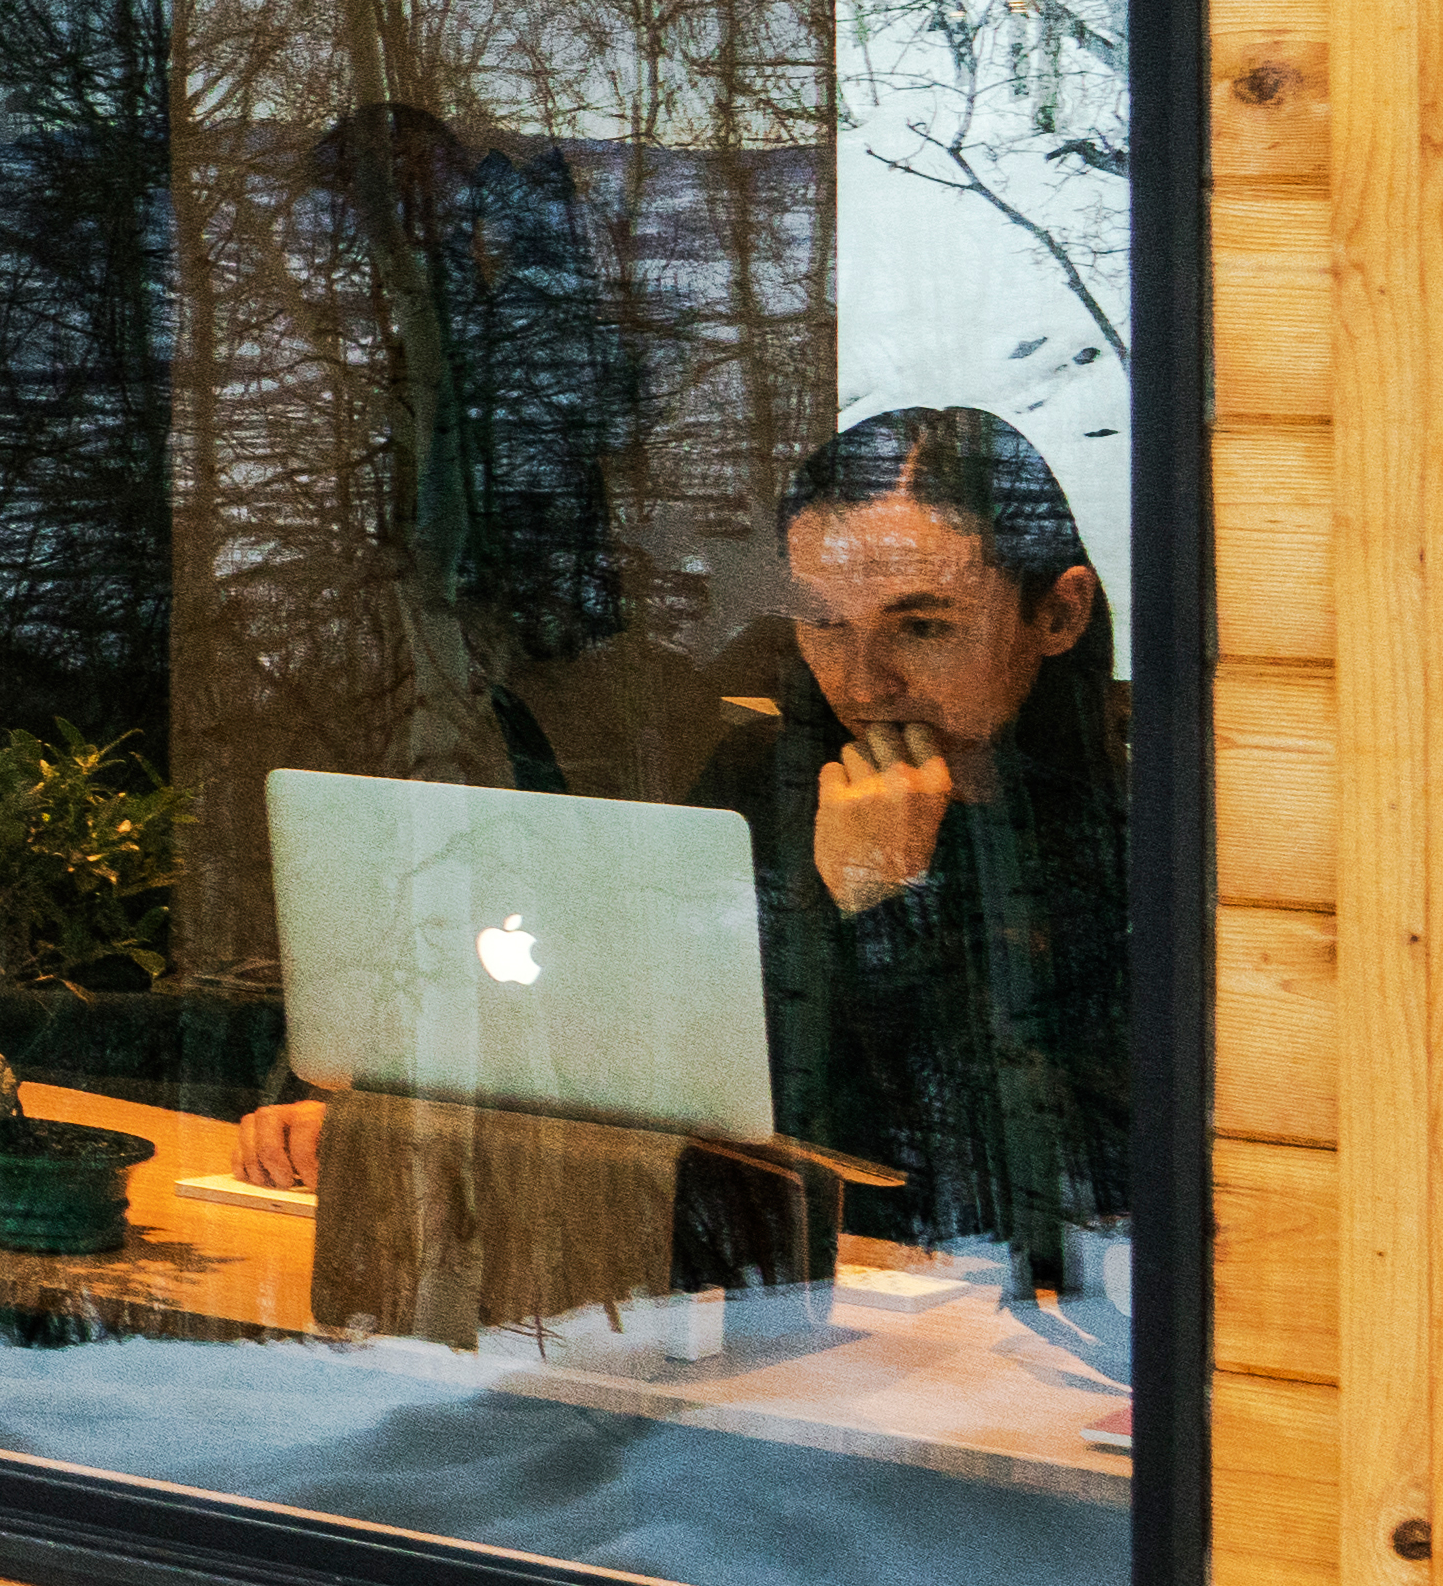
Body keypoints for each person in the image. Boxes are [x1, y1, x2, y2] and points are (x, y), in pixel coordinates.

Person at [235, 407, 1132, 1297]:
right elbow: (640, 1044)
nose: (863, 682)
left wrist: (884, 904)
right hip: (739, 1285)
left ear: (1058, 612)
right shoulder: (763, 779)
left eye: (923, 627)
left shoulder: (1145, 838)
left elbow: (1017, 1184)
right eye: (823, 624)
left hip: (970, 1322)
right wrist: (400, 1118)